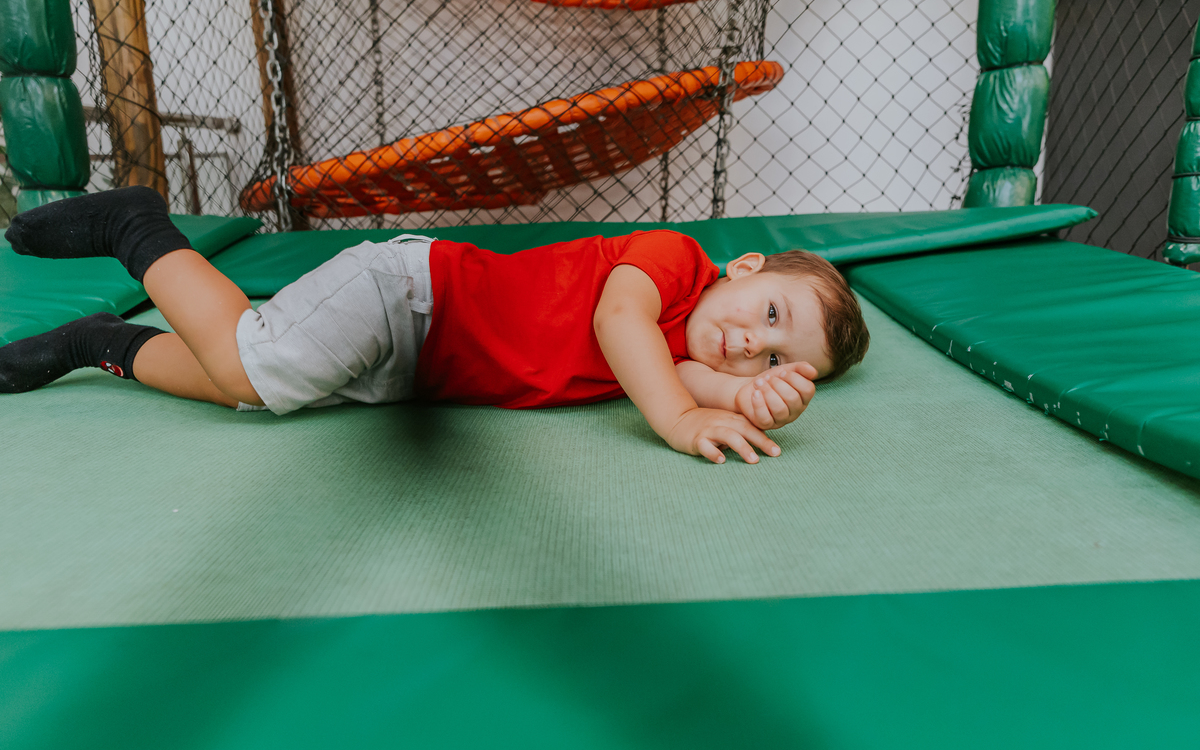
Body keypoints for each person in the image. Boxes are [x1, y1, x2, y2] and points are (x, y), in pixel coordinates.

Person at [1, 187, 869, 464]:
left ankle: (100, 344)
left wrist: (750, 400)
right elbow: (620, 322)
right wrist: (681, 421)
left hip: (421, 369)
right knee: (251, 366)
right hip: (411, 295)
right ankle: (136, 230)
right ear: (747, 267)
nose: (753, 341)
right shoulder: (674, 261)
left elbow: (687, 374)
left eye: (777, 353)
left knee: (253, 393)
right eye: (770, 316)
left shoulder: (686, 353)